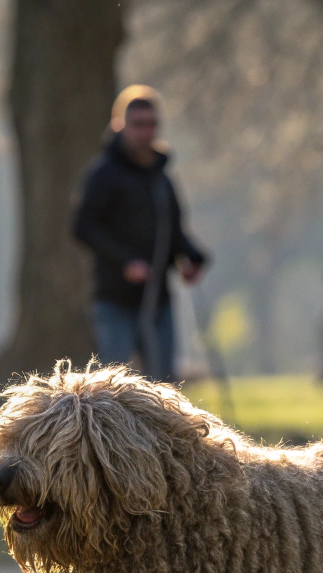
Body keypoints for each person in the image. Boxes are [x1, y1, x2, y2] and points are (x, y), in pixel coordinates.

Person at [73, 86, 208, 382]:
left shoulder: (161, 178)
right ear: (120, 125)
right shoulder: (103, 174)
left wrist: (194, 258)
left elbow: (172, 232)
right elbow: (84, 227)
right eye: (138, 124)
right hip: (114, 301)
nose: (146, 132)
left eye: (152, 124)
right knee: (112, 386)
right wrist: (125, 262)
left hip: (158, 299)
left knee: (164, 384)